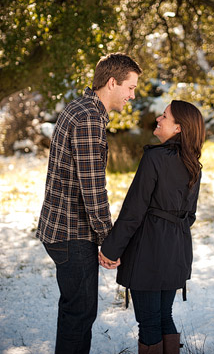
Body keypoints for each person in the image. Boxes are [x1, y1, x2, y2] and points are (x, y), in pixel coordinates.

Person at [36, 53, 142, 354]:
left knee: (74, 311)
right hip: (71, 234)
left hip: (61, 229)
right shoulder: (89, 118)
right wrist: (110, 241)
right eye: (130, 87)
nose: (133, 96)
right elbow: (92, 188)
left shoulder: (80, 108)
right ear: (112, 82)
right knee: (80, 314)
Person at [99, 100, 205, 354]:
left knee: (148, 321)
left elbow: (133, 211)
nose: (158, 118)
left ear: (178, 128)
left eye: (165, 116)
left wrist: (110, 249)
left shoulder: (154, 158)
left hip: (148, 251)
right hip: (177, 250)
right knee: (163, 316)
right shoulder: (194, 164)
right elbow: (189, 215)